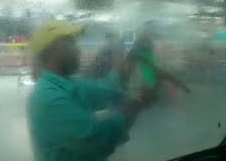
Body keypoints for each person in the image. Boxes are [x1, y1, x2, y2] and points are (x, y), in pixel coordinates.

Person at [27, 20, 153, 161]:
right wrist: (135, 104)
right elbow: (96, 139)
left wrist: (119, 73)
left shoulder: (66, 84)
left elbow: (102, 90)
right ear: (53, 50)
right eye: (71, 43)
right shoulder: (48, 97)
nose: (78, 50)